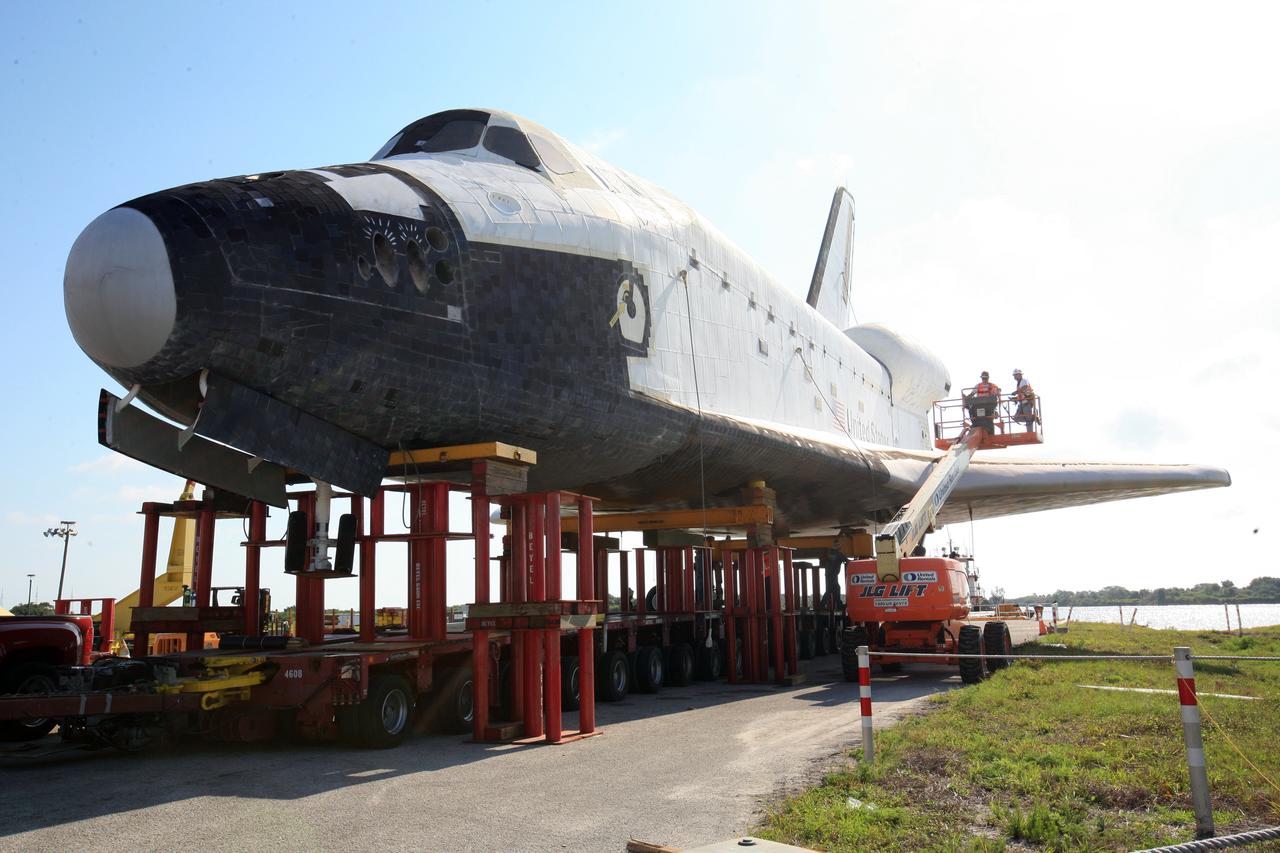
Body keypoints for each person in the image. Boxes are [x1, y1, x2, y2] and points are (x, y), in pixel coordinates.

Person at [1011, 368, 1037, 433]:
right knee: (1016, 418)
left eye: (1015, 375)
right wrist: (1015, 399)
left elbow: (1024, 388)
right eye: (1014, 375)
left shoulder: (1024, 380)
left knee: (1028, 419)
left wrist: (1016, 392)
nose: (1014, 376)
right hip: (1022, 402)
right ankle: (1031, 418)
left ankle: (1030, 432)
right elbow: (1021, 393)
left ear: (1020, 375)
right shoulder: (1019, 383)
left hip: (1027, 402)